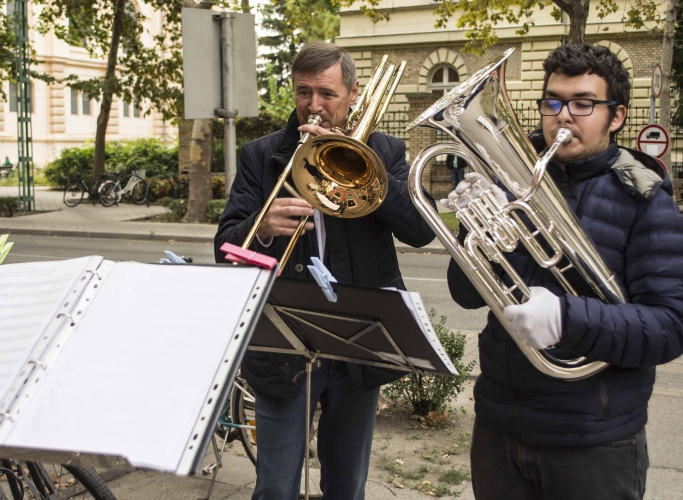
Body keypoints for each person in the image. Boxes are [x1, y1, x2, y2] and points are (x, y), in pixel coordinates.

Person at [442, 44, 683, 500]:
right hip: (499, 427)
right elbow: (465, 294)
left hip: (594, 442)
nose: (563, 116)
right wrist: (478, 226)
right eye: (552, 102)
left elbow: (670, 327)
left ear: (616, 116)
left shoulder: (646, 200)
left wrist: (566, 318)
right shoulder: (509, 177)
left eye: (582, 103)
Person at [215, 41, 435, 499]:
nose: (313, 106)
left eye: (326, 94)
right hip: (285, 346)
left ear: (353, 94)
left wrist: (369, 171)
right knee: (275, 487)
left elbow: (420, 230)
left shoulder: (387, 151)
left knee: (346, 486)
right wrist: (261, 228)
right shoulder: (262, 156)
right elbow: (224, 246)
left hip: (359, 343)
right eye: (303, 92)